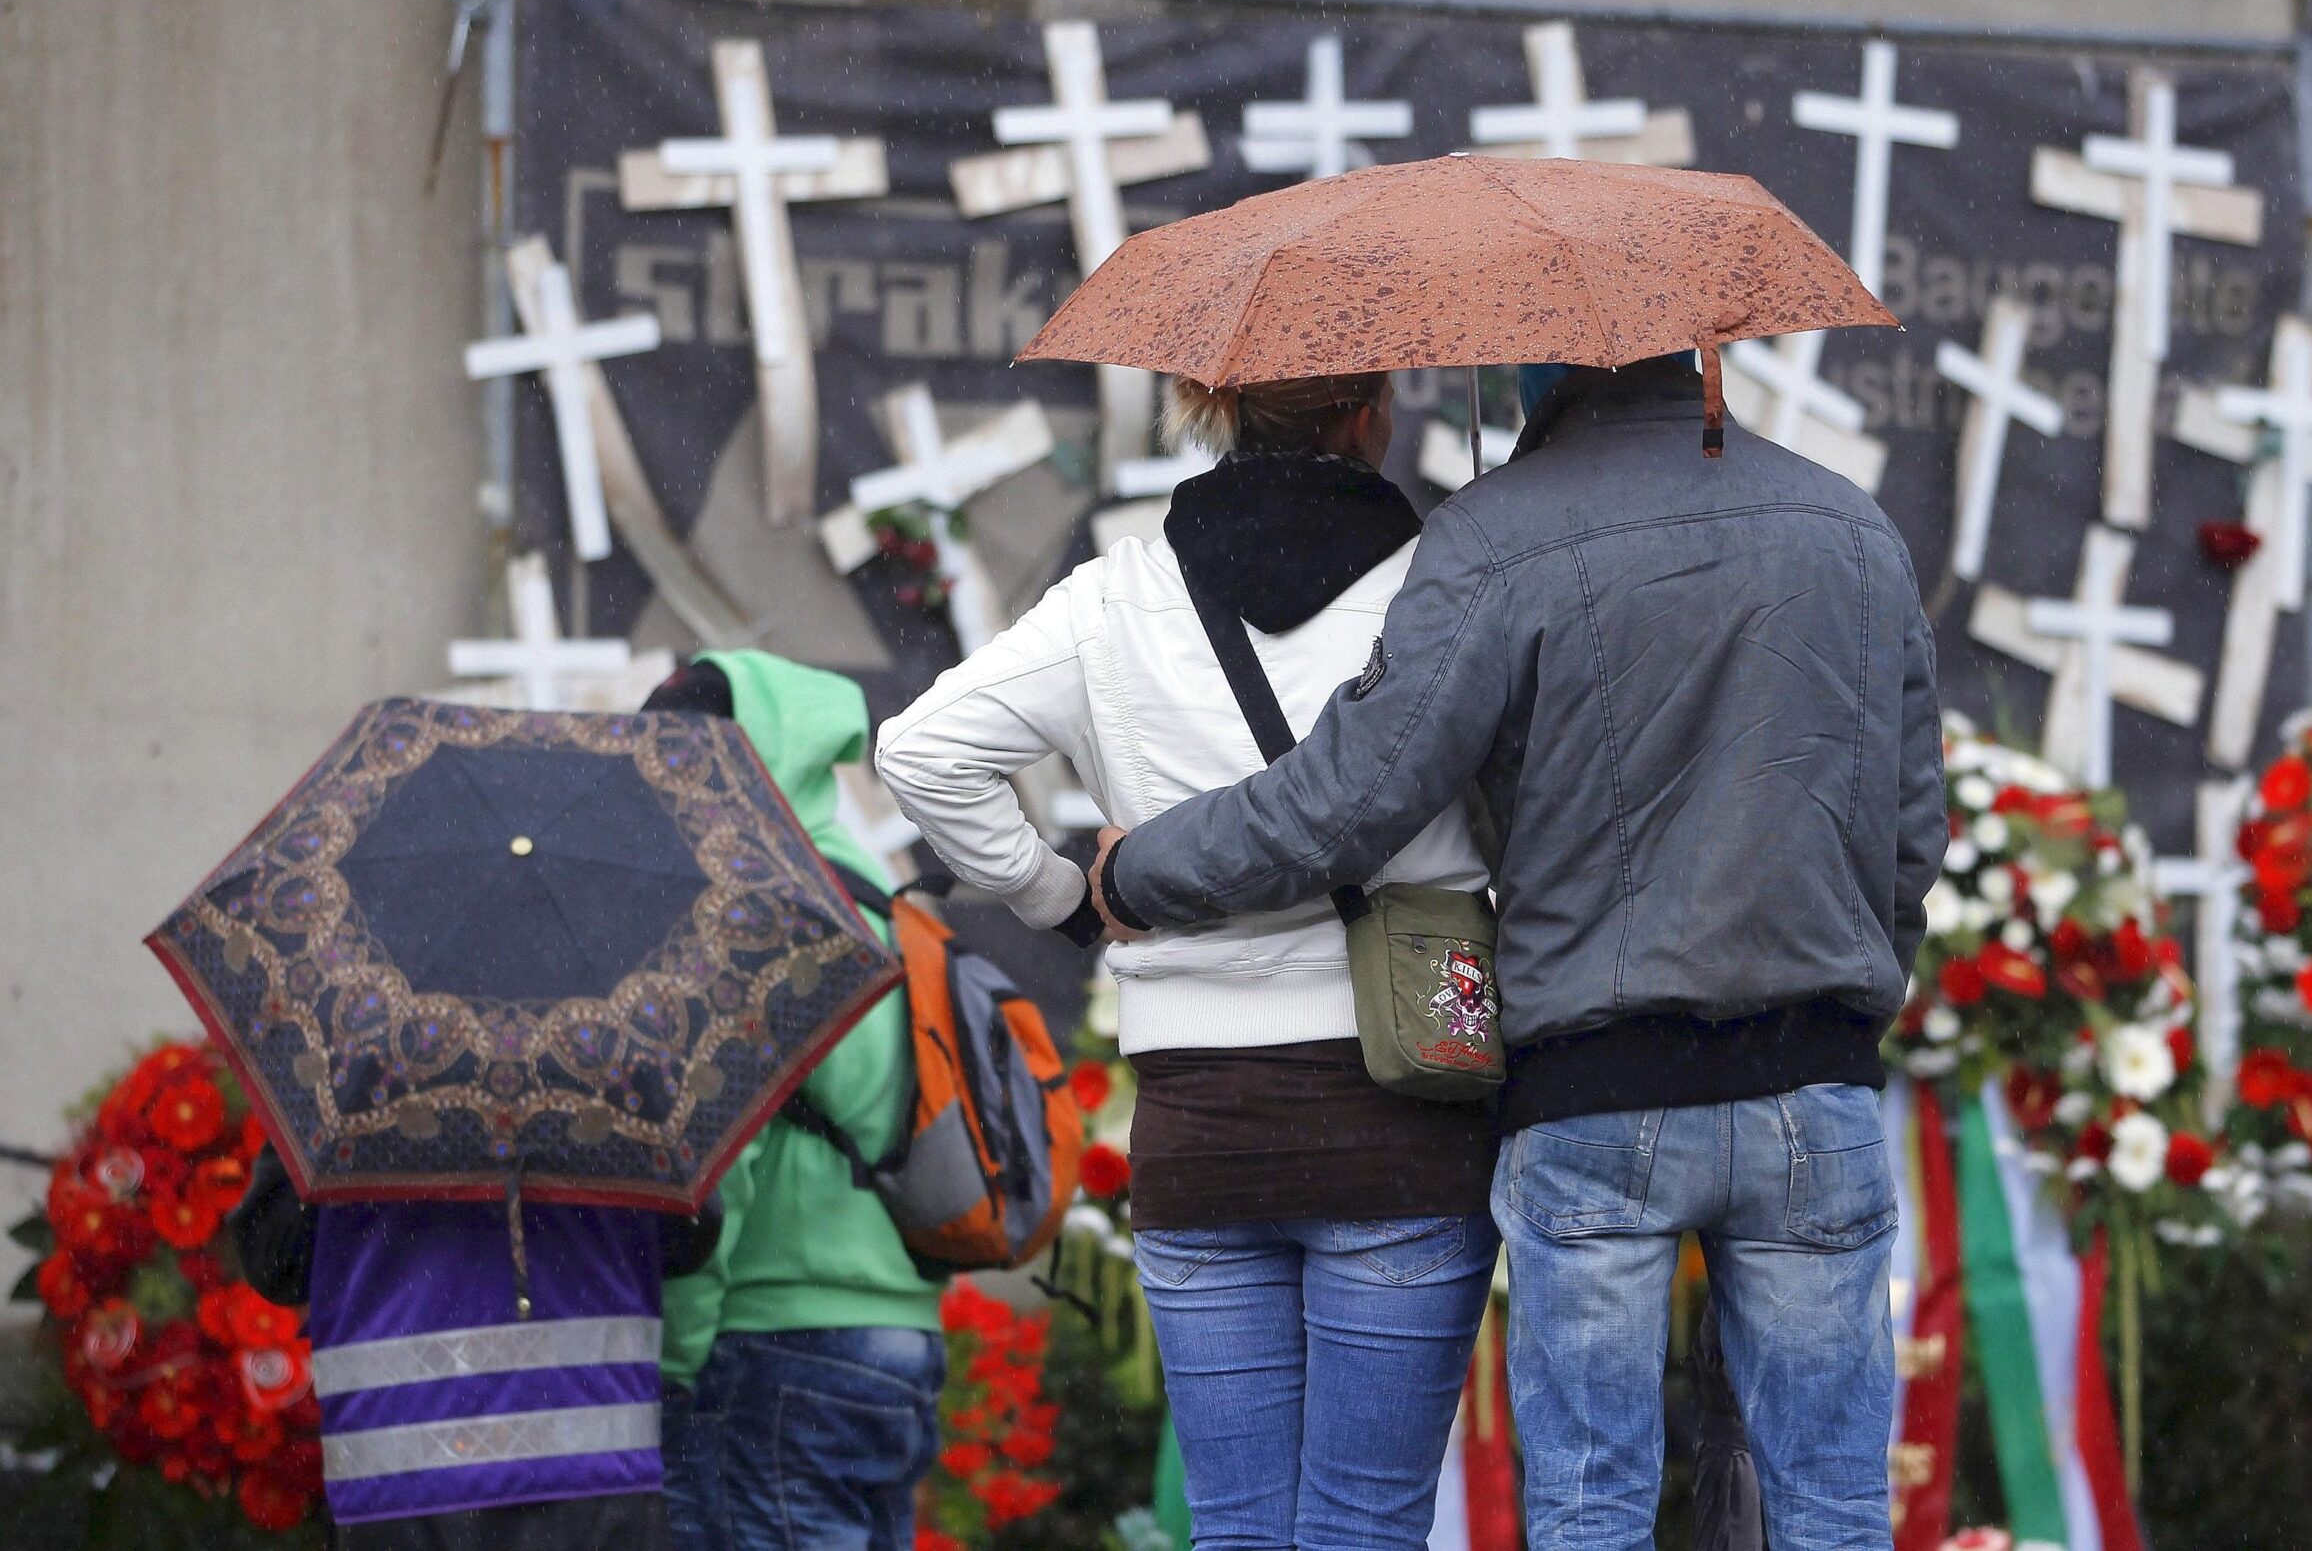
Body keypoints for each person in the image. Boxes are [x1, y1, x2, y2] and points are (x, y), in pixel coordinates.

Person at [1089, 352, 1947, 1550]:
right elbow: (1911, 829)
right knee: (1833, 1503)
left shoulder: (1500, 532)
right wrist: (1839, 1004)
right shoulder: (1849, 527)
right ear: (1698, 354)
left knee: (1591, 1505)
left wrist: (1138, 869)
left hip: (1593, 1099)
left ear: (1540, 370)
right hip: (1815, 1085)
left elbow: (1350, 798)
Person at [875, 372, 1501, 1551]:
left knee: (1236, 1530)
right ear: (1368, 416)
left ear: (1211, 411)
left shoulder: (1118, 594)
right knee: (1367, 1525)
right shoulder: (1448, 586)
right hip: (1405, 1111)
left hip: (1199, 1126)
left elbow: (922, 754)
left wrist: (1065, 897)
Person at [640, 650, 947, 1551]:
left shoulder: (755, 915)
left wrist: (673, 1357)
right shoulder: (860, 888)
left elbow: (722, 1162)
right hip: (894, 1338)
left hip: (775, 1345)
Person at [229, 1149, 722, 1551]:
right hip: (596, 1469)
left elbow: (275, 1257)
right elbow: (691, 1237)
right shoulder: (617, 1061)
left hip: (402, 1476)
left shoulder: (347, 1067)